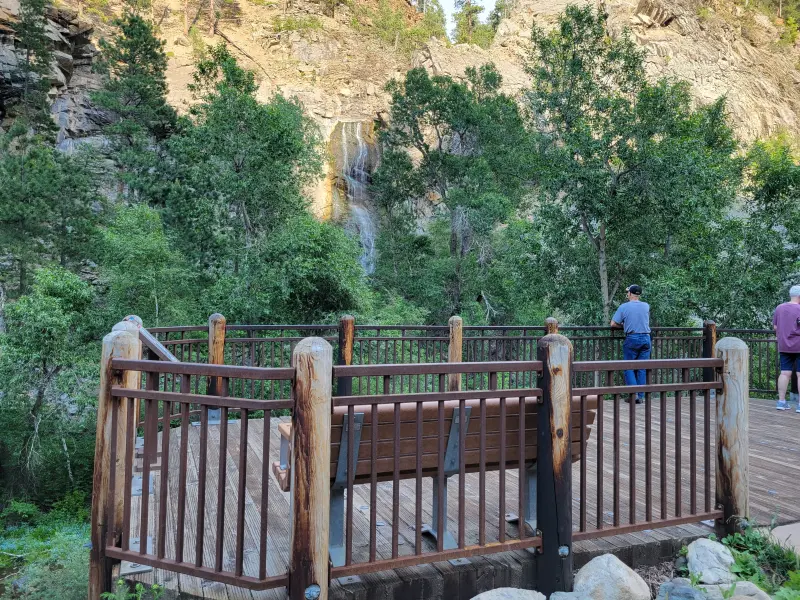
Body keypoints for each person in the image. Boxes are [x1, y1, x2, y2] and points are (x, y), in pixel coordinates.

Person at [610, 284, 651, 404]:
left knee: (628, 367)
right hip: (646, 338)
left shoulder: (624, 307)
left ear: (630, 294)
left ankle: (634, 395)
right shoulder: (646, 306)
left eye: (627, 292)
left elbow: (613, 324)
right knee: (642, 368)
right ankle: (641, 396)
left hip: (632, 338)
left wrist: (623, 326)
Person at [773, 285, 800, 411]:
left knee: (784, 373)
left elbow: (775, 327)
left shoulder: (780, 308)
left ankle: (781, 401)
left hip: (784, 345)